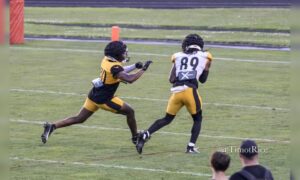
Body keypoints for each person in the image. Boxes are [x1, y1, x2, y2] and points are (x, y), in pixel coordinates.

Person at [41, 41, 153, 145]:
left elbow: (120, 70)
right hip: (105, 99)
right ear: (116, 55)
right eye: (123, 53)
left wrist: (134, 66)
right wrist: (143, 69)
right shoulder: (114, 67)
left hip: (94, 94)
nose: (125, 55)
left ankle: (52, 126)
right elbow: (129, 79)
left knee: (79, 118)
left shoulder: (107, 60)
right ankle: (135, 137)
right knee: (130, 111)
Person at [135, 34, 213, 154]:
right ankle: (191, 147)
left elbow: (171, 79)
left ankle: (145, 135)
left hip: (176, 91)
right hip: (190, 91)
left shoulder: (177, 56)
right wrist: (206, 68)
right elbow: (203, 80)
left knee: (167, 119)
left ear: (186, 45)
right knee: (197, 119)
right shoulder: (206, 56)